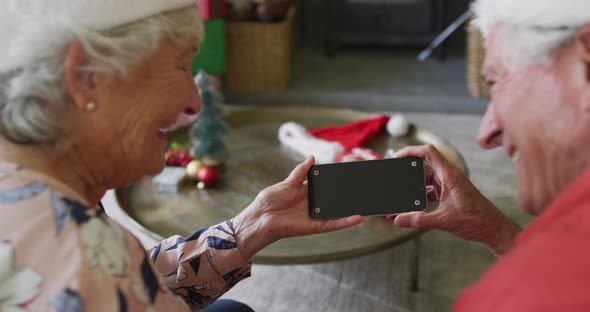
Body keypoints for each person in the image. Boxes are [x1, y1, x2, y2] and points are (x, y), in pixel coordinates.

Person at [0, 2, 363, 311]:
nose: (195, 102)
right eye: (179, 65)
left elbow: (138, 282)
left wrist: (250, 228)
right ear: (86, 75)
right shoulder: (78, 256)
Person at [393, 0, 590, 310]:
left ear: (587, 68)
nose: (485, 134)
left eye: (497, 81)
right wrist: (498, 233)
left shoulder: (510, 299)